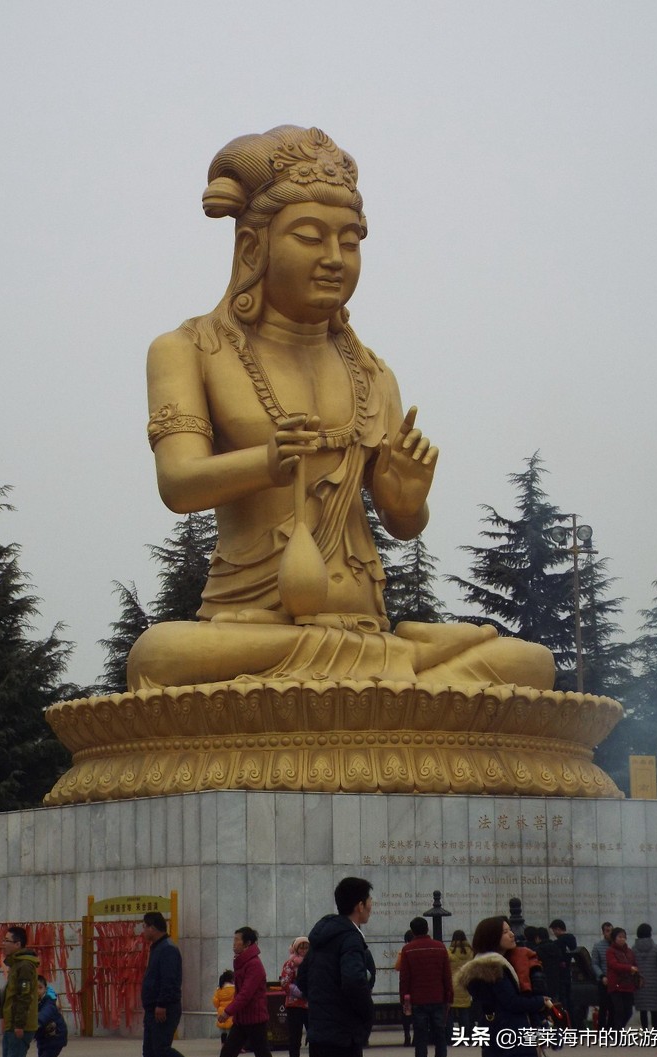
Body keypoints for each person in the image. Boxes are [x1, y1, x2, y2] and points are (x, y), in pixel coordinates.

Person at [127, 124, 555, 692]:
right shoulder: (190, 350)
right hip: (253, 628)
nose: (334, 258)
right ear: (253, 247)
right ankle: (398, 676)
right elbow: (178, 485)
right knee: (160, 656)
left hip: (364, 624)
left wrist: (406, 501)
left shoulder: (371, 372)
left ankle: (384, 669)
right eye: (310, 236)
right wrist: (267, 462)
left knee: (529, 666)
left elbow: (403, 524)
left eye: (349, 242)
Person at [297, 876, 376, 1057]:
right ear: (360, 905)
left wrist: (324, 1003)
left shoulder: (322, 937)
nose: (371, 905)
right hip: (343, 1037)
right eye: (369, 900)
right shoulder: (350, 938)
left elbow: (302, 978)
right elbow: (354, 981)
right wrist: (368, 1014)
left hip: (318, 1035)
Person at [458, 916, 552, 1057]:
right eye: (505, 932)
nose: (512, 934)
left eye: (510, 930)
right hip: (512, 1035)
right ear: (492, 937)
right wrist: (540, 1002)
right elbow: (511, 1002)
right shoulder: (494, 968)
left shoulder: (483, 965)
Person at [140, 911, 194, 1057]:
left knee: (161, 1049)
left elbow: (169, 980)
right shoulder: (157, 947)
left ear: (152, 928)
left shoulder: (167, 949)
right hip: (152, 1010)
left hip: (164, 1009)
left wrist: (162, 1003)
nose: (143, 931)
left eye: (144, 926)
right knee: (150, 1053)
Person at [216, 927, 275, 1057]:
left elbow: (245, 994)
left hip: (255, 1020)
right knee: (226, 1055)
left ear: (247, 943)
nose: (234, 943)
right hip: (241, 1020)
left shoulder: (254, 964)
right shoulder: (241, 962)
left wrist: (227, 1011)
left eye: (237, 940)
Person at [398, 917, 452, 1057]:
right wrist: (449, 996)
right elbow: (446, 975)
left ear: (413, 931)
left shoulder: (407, 950)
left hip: (417, 1000)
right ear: (427, 929)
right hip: (438, 998)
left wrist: (404, 1000)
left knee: (420, 1036)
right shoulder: (440, 947)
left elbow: (404, 979)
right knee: (440, 1035)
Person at [1, 926, 39, 1057]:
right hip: (12, 1024)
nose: (3, 944)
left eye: (7, 940)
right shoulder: (16, 964)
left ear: (17, 944)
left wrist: (19, 1024)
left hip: (19, 1026)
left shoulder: (24, 966)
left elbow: (24, 996)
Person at [280, 936, 310, 1057]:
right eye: (301, 947)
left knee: (315, 1037)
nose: (303, 950)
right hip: (294, 1005)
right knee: (294, 1040)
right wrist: (299, 991)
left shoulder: (312, 962)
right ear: (296, 949)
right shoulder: (290, 963)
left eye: (306, 947)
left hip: (310, 1005)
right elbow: (284, 982)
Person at [605, 928, 639, 1029]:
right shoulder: (610, 951)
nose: (622, 939)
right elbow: (614, 965)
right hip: (616, 985)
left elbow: (634, 963)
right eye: (619, 937)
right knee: (619, 1010)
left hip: (628, 985)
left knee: (628, 1011)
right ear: (614, 938)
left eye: (624, 937)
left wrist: (636, 970)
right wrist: (629, 968)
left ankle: (618, 1029)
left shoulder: (629, 951)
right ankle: (618, 1033)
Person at [632, 924, 657, 1029]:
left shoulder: (633, 949)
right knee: (654, 1009)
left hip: (640, 982)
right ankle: (654, 1030)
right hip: (654, 982)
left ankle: (645, 1031)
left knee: (643, 1010)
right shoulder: (656, 948)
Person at [35, 975, 68, 1057]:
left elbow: (46, 1012)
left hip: (55, 1037)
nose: (37, 991)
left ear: (45, 989)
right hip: (43, 1039)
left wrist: (38, 1022)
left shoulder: (49, 1001)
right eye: (34, 988)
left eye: (40, 988)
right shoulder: (33, 1001)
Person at [446, 930, 473, 1041]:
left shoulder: (449, 952)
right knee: (464, 1012)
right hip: (465, 984)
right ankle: (466, 1036)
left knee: (450, 1013)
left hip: (452, 984)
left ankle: (451, 1036)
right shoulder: (470, 952)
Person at [590, 921, 615, 1029]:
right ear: (603, 932)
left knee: (614, 1007)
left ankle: (611, 1030)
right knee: (603, 1007)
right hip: (603, 981)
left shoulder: (616, 946)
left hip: (615, 980)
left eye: (611, 931)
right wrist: (602, 976)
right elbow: (594, 964)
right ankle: (602, 1030)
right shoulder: (598, 946)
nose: (609, 933)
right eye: (607, 931)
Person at [549, 920, 576, 1016]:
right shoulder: (572, 939)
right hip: (569, 971)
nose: (554, 933)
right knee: (569, 997)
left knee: (562, 998)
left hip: (560, 974)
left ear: (558, 929)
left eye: (554, 930)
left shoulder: (557, 943)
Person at [395, 931, 415, 1046]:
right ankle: (417, 1036)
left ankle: (407, 1034)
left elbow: (397, 967)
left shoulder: (403, 951)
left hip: (406, 988)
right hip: (418, 987)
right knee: (418, 1012)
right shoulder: (420, 950)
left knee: (406, 1011)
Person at [212, 970, 235, 1045]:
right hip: (231, 1012)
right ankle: (231, 1046)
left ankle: (223, 1044)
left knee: (223, 1031)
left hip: (221, 1013)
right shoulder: (234, 989)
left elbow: (215, 1001)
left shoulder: (219, 990)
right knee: (231, 1032)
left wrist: (219, 1007)